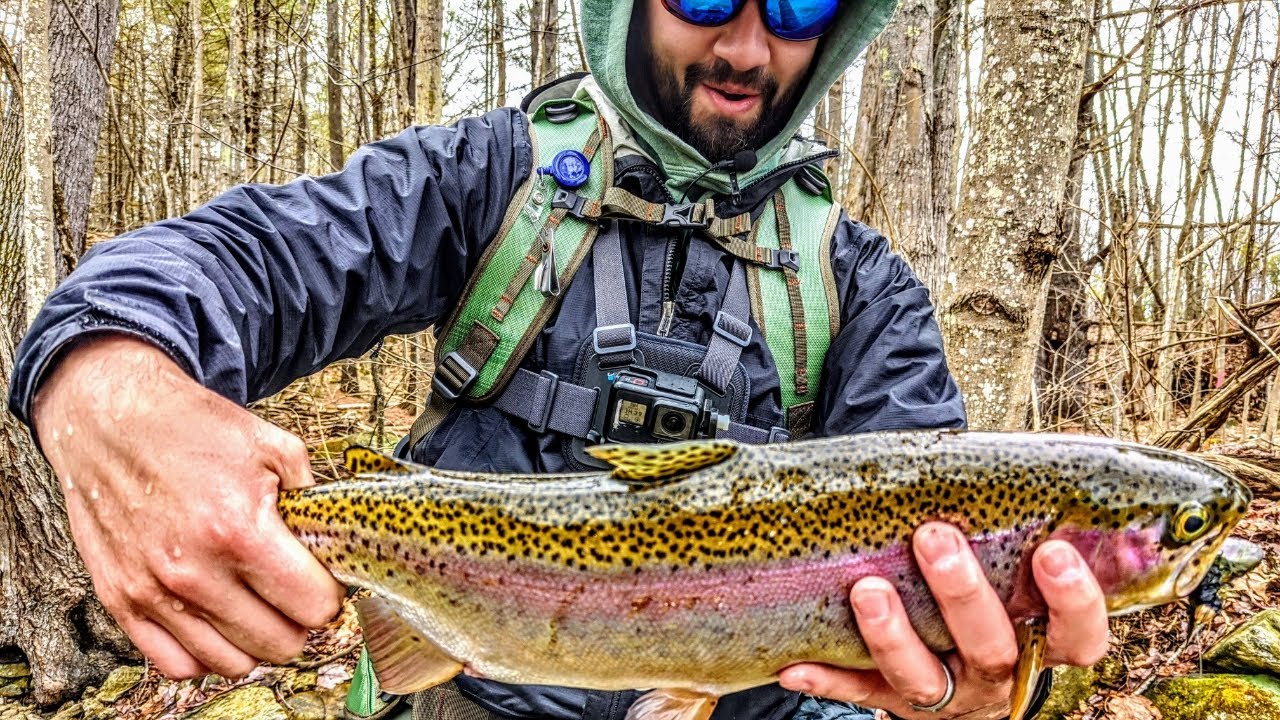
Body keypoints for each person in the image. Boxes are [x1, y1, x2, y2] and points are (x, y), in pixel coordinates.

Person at [9, 0, 1112, 719]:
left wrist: (961, 699)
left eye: (797, 4)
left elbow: (926, 568)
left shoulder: (863, 287)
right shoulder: (490, 178)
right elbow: (249, 257)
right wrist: (106, 374)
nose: (742, 46)